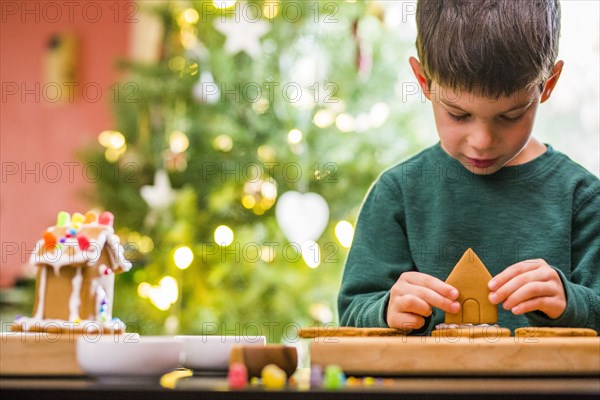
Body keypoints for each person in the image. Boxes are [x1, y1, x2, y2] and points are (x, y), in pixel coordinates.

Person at [338, 0, 599, 335]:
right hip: (425, 389)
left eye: (510, 116)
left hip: (546, 389)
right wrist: (387, 309)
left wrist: (570, 301)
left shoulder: (584, 198)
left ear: (547, 85)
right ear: (423, 81)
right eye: (458, 115)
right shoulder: (398, 194)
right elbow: (353, 312)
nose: (482, 140)